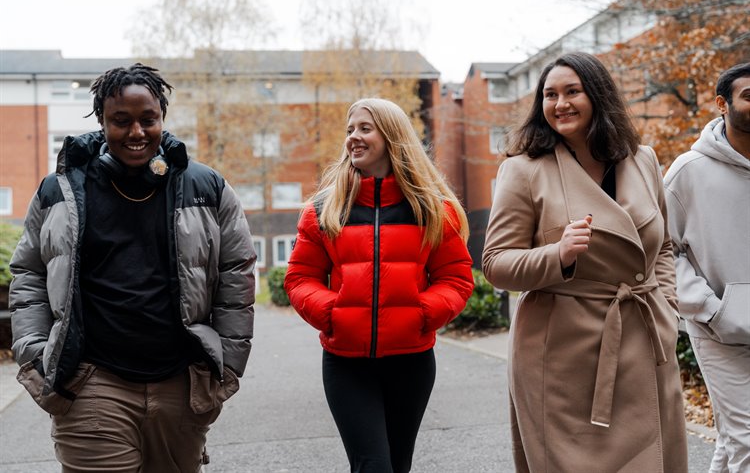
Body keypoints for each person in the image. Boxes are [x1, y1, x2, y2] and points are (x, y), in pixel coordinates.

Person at [9, 63, 256, 472]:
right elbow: (29, 273)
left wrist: (226, 362)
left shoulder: (206, 187)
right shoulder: (60, 191)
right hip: (89, 384)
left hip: (181, 385)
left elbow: (237, 270)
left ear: (162, 118)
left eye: (148, 120)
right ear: (102, 122)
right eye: (121, 121)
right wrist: (36, 354)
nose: (136, 133)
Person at [482, 52, 688, 472]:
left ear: (597, 95)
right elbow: (496, 263)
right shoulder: (523, 170)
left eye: (572, 91)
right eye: (550, 94)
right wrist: (557, 255)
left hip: (644, 339)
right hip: (561, 354)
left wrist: (667, 306)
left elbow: (663, 245)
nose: (560, 104)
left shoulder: (642, 159)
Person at [284, 98, 474, 473]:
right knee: (374, 466)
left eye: (364, 129)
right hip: (346, 364)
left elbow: (455, 278)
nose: (353, 137)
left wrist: (422, 314)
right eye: (350, 130)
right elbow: (300, 277)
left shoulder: (432, 210)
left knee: (397, 465)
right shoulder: (323, 209)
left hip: (412, 362)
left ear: (392, 137)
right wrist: (332, 313)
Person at [664, 62, 750, 473]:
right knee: (746, 437)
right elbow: (661, 249)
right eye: (748, 95)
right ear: (722, 104)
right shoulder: (688, 171)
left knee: (732, 438)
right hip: (718, 330)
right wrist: (710, 310)